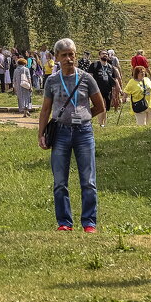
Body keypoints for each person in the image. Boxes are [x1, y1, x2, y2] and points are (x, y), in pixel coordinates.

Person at [38, 38, 106, 232]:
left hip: (83, 133)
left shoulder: (86, 78)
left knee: (88, 180)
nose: (69, 59)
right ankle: (64, 222)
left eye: (72, 54)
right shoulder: (52, 80)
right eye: (65, 55)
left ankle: (89, 223)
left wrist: (84, 116)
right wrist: (41, 134)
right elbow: (45, 110)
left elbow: (100, 106)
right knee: (60, 181)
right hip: (60, 133)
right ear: (57, 57)